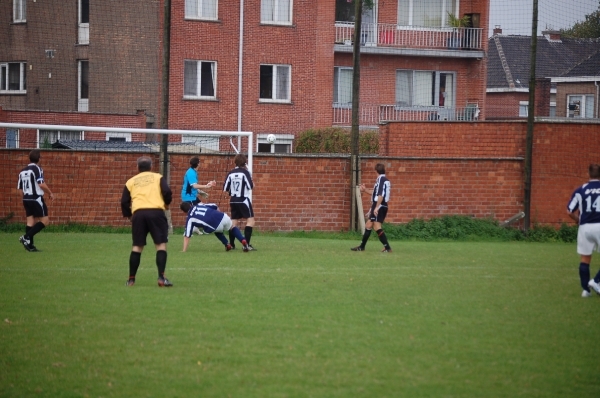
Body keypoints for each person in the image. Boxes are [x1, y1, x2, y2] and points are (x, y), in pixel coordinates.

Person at [121, 156, 173, 287]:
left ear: (138, 168)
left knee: (137, 247)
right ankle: (161, 278)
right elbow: (167, 192)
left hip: (139, 214)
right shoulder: (158, 177)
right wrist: (166, 204)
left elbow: (124, 202)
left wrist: (129, 215)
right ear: (151, 167)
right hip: (156, 212)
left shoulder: (131, 181)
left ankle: (131, 279)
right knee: (160, 245)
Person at [567, 163, 600, 297]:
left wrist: (577, 219)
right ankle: (596, 281)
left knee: (585, 258)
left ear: (588, 174)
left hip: (584, 227)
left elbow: (569, 211)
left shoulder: (580, 190)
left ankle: (585, 290)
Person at [17, 149, 55, 252]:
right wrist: (50, 193)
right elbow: (41, 184)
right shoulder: (37, 169)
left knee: (30, 222)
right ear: (39, 158)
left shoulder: (22, 171)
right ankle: (26, 237)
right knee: (45, 221)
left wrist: (25, 199)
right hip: (36, 198)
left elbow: (20, 189)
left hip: (26, 198)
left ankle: (30, 246)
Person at [352, 163, 392, 252]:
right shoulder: (383, 179)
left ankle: (387, 247)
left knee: (377, 226)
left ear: (376, 171)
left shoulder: (381, 180)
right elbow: (375, 193)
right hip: (380, 205)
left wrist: (376, 207)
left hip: (380, 205)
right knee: (368, 225)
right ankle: (362, 247)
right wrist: (365, 190)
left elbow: (381, 195)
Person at [180, 202, 249, 252]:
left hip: (215, 226)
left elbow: (187, 235)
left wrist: (184, 250)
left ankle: (227, 244)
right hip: (222, 216)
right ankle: (243, 240)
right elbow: (214, 205)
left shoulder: (190, 218)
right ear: (190, 205)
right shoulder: (199, 205)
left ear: (184, 212)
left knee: (217, 231)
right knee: (232, 227)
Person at [223, 154, 256, 250]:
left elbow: (225, 188)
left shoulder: (230, 173)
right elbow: (250, 187)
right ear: (245, 162)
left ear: (235, 162)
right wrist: (253, 183)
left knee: (233, 222)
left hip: (233, 200)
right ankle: (246, 245)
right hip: (243, 199)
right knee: (250, 221)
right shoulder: (245, 173)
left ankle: (232, 244)